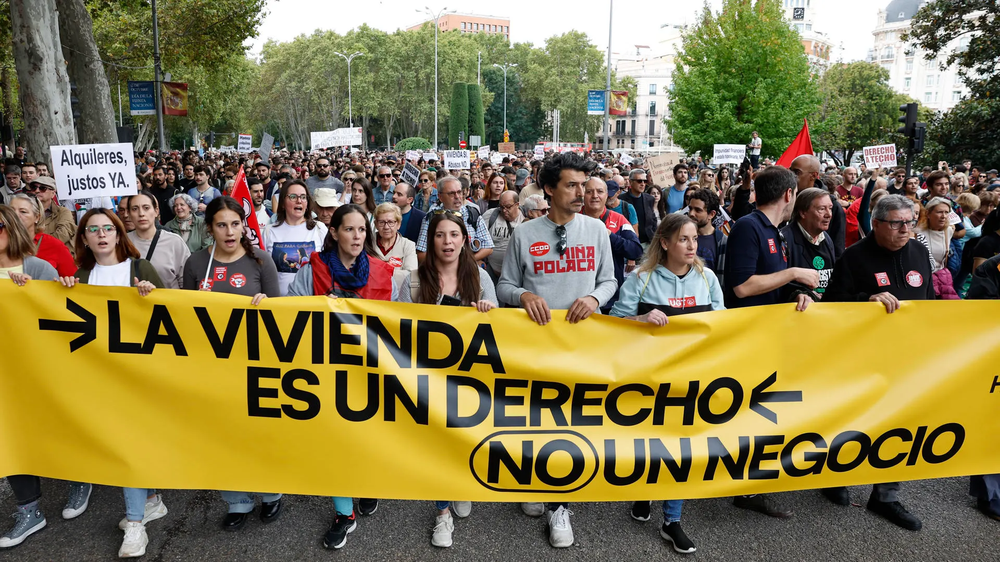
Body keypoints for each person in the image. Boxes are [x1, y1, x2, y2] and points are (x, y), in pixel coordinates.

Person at [497, 152, 616, 548]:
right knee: (535, 419)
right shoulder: (525, 234)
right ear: (549, 189)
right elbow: (504, 286)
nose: (582, 192)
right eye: (572, 185)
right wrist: (524, 294)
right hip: (535, 347)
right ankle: (534, 482)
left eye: (584, 185)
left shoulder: (597, 230)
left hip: (581, 345)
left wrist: (595, 299)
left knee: (571, 424)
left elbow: (610, 280)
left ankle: (560, 505)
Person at [611, 214, 724, 554]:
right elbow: (612, 324)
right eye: (683, 239)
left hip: (692, 380)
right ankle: (645, 492)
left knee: (684, 449)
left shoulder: (707, 278)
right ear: (664, 243)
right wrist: (640, 319)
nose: (692, 246)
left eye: (695, 239)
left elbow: (724, 326)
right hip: (649, 379)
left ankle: (672, 520)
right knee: (649, 444)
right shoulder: (641, 279)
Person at [58, 208, 166, 558]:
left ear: (120, 234)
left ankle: (135, 524)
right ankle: (150, 501)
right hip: (100, 379)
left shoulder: (140, 270)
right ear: (84, 239)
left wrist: (153, 296)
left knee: (128, 446)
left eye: (108, 228)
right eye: (93, 229)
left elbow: (174, 317)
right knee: (126, 443)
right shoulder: (81, 276)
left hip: (140, 377)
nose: (102, 234)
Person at [287, 204, 396, 550]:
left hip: (369, 372)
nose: (357, 236)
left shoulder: (383, 271)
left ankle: (366, 485)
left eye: (362, 230)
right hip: (324, 372)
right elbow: (291, 314)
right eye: (349, 229)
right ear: (333, 233)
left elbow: (400, 324)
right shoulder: (313, 270)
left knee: (367, 439)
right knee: (333, 444)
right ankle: (343, 513)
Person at [822, 194, 932, 531]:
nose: (905, 229)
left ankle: (886, 495)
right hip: (861, 358)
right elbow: (831, 307)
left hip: (905, 357)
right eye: (897, 223)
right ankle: (835, 477)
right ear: (877, 223)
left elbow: (927, 302)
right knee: (853, 419)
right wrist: (864, 300)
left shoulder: (919, 253)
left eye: (910, 222)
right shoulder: (854, 257)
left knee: (899, 423)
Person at [181, 197, 282, 530]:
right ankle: (237, 500)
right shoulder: (196, 264)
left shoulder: (261, 261)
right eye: (221, 225)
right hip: (214, 366)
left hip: (255, 363)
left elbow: (281, 318)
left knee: (260, 432)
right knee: (224, 433)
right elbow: (186, 314)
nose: (229, 231)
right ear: (209, 228)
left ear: (244, 225)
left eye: (235, 224)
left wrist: (267, 305)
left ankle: (271, 493)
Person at [395, 212, 496, 547]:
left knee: (465, 437)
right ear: (431, 240)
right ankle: (442, 513)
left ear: (465, 240)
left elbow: (500, 332)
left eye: (454, 234)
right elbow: (395, 326)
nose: (448, 242)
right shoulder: (411, 280)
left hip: (470, 378)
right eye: (440, 235)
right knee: (437, 443)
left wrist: (486, 311)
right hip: (428, 379)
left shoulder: (481, 279)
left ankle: (462, 485)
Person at [722, 166, 817, 519]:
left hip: (771, 336)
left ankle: (753, 484)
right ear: (790, 195)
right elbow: (743, 286)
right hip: (749, 338)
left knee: (766, 411)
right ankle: (744, 487)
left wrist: (795, 292)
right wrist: (793, 273)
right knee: (753, 412)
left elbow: (769, 281)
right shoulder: (749, 226)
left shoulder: (774, 230)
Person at [582, 176, 642, 312]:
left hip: (610, 298)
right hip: (579, 298)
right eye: (589, 191)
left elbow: (636, 250)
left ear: (606, 194)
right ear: (582, 194)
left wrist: (610, 236)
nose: (595, 196)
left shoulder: (618, 219)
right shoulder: (572, 218)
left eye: (600, 191)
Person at [263, 180, 329, 296]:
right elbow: (262, 269)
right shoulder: (269, 231)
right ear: (283, 203)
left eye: (303, 197)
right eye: (293, 197)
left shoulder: (319, 229)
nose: (299, 201)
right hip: (277, 302)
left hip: (311, 303)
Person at [415, 177, 493, 265]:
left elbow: (488, 247)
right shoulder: (431, 218)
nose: (457, 197)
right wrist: (446, 264)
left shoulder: (473, 214)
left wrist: (466, 261)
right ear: (440, 197)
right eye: (451, 193)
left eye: (459, 192)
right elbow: (421, 254)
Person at [126, 191, 191, 290]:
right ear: (129, 214)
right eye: (135, 209)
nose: (141, 214)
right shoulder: (122, 242)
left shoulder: (174, 242)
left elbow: (187, 283)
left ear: (156, 211)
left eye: (146, 208)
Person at [781, 188, 835, 298]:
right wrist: (797, 294)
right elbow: (776, 282)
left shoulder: (826, 239)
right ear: (803, 212)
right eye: (821, 209)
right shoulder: (784, 239)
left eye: (830, 208)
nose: (828, 214)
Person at [790, 155, 846, 259]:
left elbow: (838, 247)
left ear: (813, 175)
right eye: (790, 171)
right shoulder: (786, 200)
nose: (792, 176)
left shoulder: (834, 207)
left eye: (797, 172)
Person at [9, 193, 75, 276]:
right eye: (11, 211)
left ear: (37, 217)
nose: (15, 215)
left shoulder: (55, 245)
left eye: (23, 212)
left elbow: (74, 281)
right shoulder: (2, 244)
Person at [482, 190, 524, 283]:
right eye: (501, 207)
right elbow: (480, 240)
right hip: (492, 272)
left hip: (517, 275)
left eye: (508, 207)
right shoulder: (490, 215)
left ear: (517, 204)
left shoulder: (525, 218)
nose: (504, 210)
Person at [373, 202, 417, 288]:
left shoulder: (408, 245)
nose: (386, 227)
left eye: (391, 222)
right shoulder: (366, 242)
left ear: (399, 224)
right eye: (381, 222)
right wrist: (396, 273)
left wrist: (378, 271)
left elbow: (411, 275)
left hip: (397, 296)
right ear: (376, 224)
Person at [28, 176, 75, 253]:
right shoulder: (26, 212)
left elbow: (63, 235)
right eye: (34, 187)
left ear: (53, 193)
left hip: (58, 256)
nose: (37, 191)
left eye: (42, 188)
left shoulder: (63, 212)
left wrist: (35, 244)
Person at [687, 188, 727, 278]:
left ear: (711, 214)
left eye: (698, 210)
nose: (691, 214)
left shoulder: (724, 242)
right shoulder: (680, 237)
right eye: (690, 208)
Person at [620, 169, 658, 245]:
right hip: (629, 242)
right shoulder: (621, 199)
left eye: (645, 181)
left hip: (648, 243)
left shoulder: (649, 199)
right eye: (639, 181)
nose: (643, 184)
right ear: (630, 182)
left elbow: (653, 219)